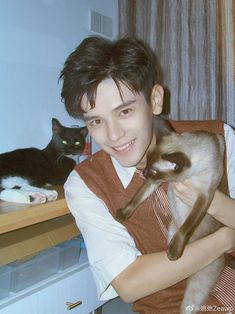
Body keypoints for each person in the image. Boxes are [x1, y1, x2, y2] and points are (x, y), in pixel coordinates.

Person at [60, 36, 235, 314]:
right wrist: (226, 238)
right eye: (96, 121)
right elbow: (129, 283)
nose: (114, 135)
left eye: (125, 111)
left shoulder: (218, 138)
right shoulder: (85, 184)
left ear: (155, 100)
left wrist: (214, 203)